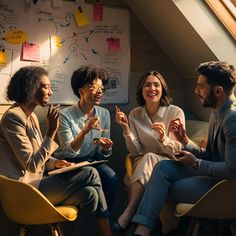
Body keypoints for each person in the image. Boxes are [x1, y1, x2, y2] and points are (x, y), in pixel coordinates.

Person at [0, 66, 113, 236]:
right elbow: (31, 165)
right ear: (30, 87)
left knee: (90, 194)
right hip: (23, 192)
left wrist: (55, 163)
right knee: (90, 173)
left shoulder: (30, 117)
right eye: (46, 86)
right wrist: (51, 131)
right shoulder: (13, 117)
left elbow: (39, 157)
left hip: (36, 184)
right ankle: (107, 233)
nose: (50, 92)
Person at [132, 61, 236, 236]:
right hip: (212, 175)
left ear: (218, 91)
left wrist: (195, 163)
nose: (196, 91)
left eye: (200, 87)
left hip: (224, 186)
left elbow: (233, 170)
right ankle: (143, 229)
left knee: (163, 187)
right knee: (162, 168)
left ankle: (144, 229)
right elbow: (210, 155)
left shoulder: (232, 119)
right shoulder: (216, 112)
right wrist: (185, 140)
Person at [113, 70, 185, 232]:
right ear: (141, 90)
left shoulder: (175, 112)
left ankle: (130, 212)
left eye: (156, 85)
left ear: (162, 89)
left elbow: (178, 150)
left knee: (150, 157)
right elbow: (135, 150)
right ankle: (141, 224)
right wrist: (126, 128)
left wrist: (162, 138)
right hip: (143, 162)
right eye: (147, 85)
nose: (152, 88)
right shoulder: (135, 114)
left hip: (169, 163)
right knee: (147, 158)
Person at [55, 64, 117, 210]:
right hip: (68, 163)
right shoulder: (64, 115)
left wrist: (106, 148)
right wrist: (85, 131)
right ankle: (103, 226)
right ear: (81, 90)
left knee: (111, 178)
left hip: (91, 161)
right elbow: (69, 151)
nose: (99, 92)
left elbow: (102, 154)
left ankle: (102, 219)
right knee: (94, 181)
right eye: (94, 87)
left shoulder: (104, 114)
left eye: (102, 88)